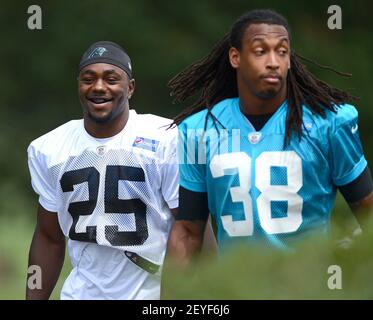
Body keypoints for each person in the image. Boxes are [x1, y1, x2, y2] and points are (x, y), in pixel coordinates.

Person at [166, 9, 373, 266]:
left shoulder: (328, 123)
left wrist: (352, 259)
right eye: (261, 51)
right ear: (235, 57)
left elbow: (368, 213)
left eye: (282, 51)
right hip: (237, 289)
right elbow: (188, 231)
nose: (274, 61)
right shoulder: (199, 131)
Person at [26, 41, 180, 299]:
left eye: (111, 79)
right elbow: (48, 237)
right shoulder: (49, 148)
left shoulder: (166, 139)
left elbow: (191, 228)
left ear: (130, 88)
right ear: (79, 85)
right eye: (88, 79)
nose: (98, 87)